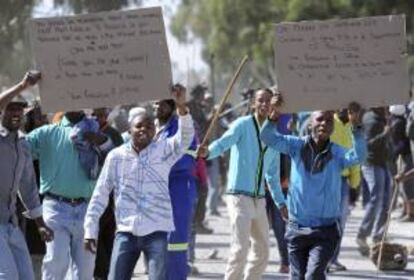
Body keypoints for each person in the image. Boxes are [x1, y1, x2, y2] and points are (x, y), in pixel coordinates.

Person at [84, 87, 194, 280]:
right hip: (126, 232)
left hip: (157, 232)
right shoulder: (116, 157)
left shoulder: (164, 151)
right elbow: (100, 194)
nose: (144, 129)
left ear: (155, 131)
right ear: (129, 130)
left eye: (149, 126)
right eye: (139, 126)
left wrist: (181, 105)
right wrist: (90, 229)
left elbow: (185, 138)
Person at [260, 94, 366, 280]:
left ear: (333, 127)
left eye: (328, 120)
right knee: (298, 277)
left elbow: (359, 157)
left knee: (313, 276)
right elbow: (267, 137)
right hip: (296, 228)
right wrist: (274, 114)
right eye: (319, 119)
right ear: (310, 124)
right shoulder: (296, 145)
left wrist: (356, 126)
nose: (324, 123)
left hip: (325, 231)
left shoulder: (337, 153)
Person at [198, 88, 286, 280]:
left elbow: (272, 175)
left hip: (259, 200)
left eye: (268, 101)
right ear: (253, 104)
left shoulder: (274, 136)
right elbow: (223, 143)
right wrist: (207, 152)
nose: (264, 104)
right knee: (240, 248)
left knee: (263, 251)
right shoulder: (242, 125)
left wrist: (281, 203)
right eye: (260, 100)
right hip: (238, 197)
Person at [27, 108, 110, 280]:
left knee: (86, 268)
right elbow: (15, 147)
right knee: (57, 262)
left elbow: (116, 157)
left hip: (87, 209)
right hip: (56, 208)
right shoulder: (46, 133)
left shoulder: (96, 132)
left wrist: (102, 141)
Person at [0, 72, 53, 280]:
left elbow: (29, 188)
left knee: (27, 276)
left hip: (12, 224)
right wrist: (22, 85)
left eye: (20, 109)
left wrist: (40, 225)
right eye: (11, 108)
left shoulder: (23, 144)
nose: (16, 113)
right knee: (8, 276)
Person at [154, 85, 198, 279]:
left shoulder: (183, 127)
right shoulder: (150, 128)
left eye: (163, 103)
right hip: (155, 191)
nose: (158, 106)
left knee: (176, 241)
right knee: (156, 241)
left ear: (172, 106)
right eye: (156, 102)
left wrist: (159, 164)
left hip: (178, 189)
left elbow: (185, 160)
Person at [92, 108, 124, 280]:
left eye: (102, 114)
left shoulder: (114, 135)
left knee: (108, 236)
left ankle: (106, 273)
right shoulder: (82, 132)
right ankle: (101, 273)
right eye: (95, 114)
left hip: (110, 194)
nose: (98, 117)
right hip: (89, 194)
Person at [328, 107, 362, 272]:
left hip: (343, 181)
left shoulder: (351, 128)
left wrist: (355, 182)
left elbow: (355, 155)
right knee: (325, 219)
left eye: (349, 108)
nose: (345, 110)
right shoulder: (328, 122)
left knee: (340, 222)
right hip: (326, 180)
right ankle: (322, 259)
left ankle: (333, 259)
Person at [356, 107, 392, 255]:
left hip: (382, 163)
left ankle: (378, 236)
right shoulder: (371, 120)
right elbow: (368, 144)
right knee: (376, 199)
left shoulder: (381, 118)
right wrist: (384, 134)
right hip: (371, 164)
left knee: (386, 201)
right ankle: (362, 235)